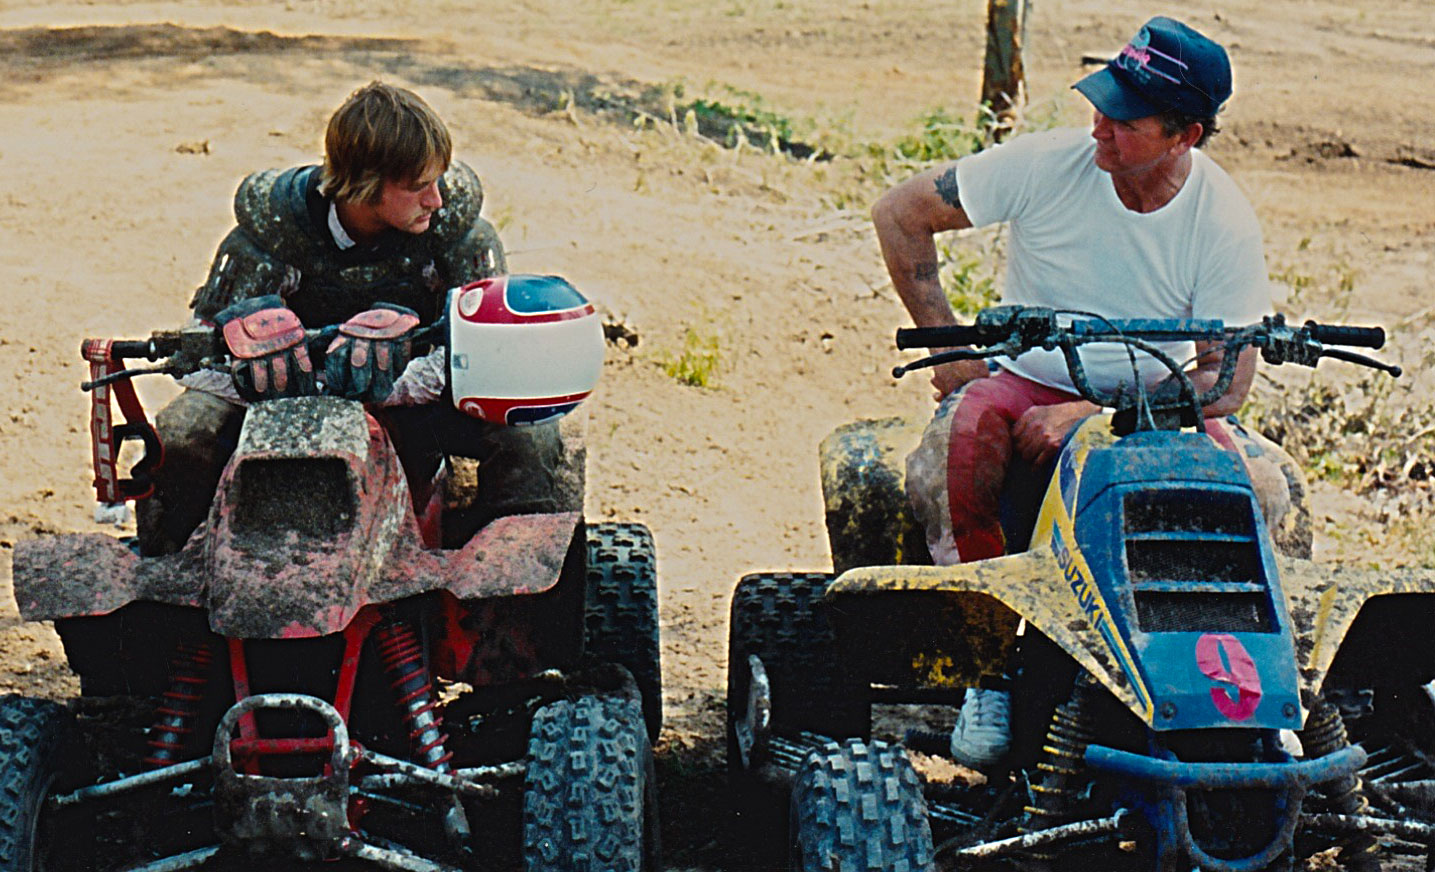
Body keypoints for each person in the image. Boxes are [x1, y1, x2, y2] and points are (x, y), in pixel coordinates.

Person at [871, 17, 1307, 768]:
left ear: (1184, 136)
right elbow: (900, 212)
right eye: (1100, 105)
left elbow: (1224, 382)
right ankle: (988, 667)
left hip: (1159, 405)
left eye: (1124, 118)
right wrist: (947, 347)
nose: (1098, 127)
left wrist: (1100, 417)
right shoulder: (1048, 165)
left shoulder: (1221, 218)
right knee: (955, 446)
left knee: (1262, 493)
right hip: (1029, 379)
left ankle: (1269, 687)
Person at [137, 81, 581, 555]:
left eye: (438, 179)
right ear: (365, 184)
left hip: (420, 402)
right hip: (282, 403)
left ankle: (522, 583)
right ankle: (171, 576)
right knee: (183, 433)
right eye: (417, 187)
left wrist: (395, 380)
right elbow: (203, 348)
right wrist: (272, 367)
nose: (437, 200)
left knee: (532, 433)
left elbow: (492, 353)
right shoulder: (273, 233)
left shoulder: (458, 236)